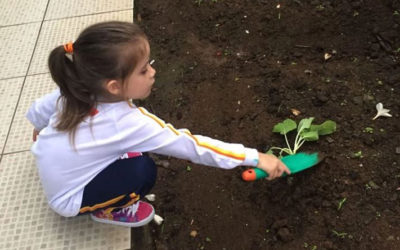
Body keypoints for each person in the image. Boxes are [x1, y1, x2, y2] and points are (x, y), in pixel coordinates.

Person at [26, 21, 290, 228]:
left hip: (55, 167)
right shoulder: (128, 124)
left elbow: (36, 113)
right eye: (143, 70)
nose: (153, 72)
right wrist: (255, 157)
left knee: (130, 153)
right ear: (114, 86)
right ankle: (107, 209)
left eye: (149, 64)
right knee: (142, 170)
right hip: (69, 197)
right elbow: (191, 145)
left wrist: (42, 133)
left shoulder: (75, 88)